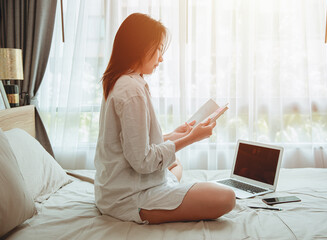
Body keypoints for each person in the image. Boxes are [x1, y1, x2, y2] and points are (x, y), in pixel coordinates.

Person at [94, 12, 235, 224]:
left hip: (114, 188)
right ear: (140, 46)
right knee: (227, 197)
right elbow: (142, 161)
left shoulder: (122, 81)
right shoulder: (131, 90)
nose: (161, 58)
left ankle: (166, 193)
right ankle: (152, 204)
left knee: (175, 163)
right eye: (159, 49)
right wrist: (191, 138)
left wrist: (175, 134)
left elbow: (133, 143)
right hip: (127, 197)